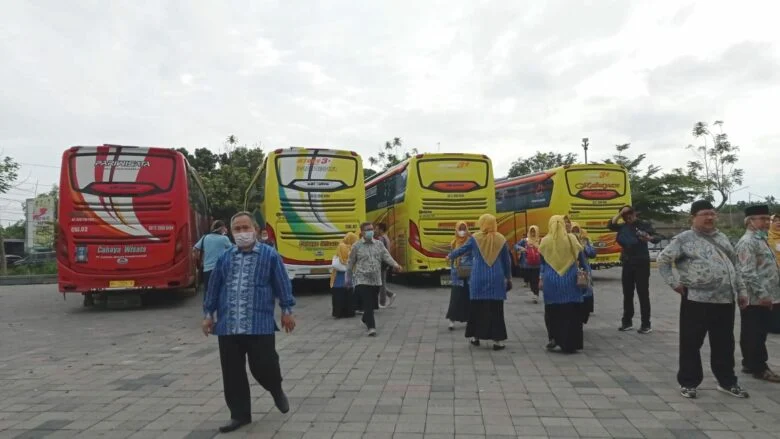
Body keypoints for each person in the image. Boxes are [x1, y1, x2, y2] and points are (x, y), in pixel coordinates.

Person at [202, 212, 297, 433]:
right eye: (237, 229)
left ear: (255, 229)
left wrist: (287, 311)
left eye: (246, 228)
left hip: (259, 323)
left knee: (265, 365)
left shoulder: (270, 256)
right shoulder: (225, 258)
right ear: (231, 232)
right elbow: (214, 287)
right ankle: (239, 415)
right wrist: (208, 316)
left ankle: (275, 388)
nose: (242, 233)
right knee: (232, 373)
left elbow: (282, 284)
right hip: (228, 325)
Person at [657, 200, 749, 400]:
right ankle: (688, 383)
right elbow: (663, 260)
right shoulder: (684, 239)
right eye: (704, 214)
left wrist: (741, 291)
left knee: (725, 343)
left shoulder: (723, 238)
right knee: (691, 343)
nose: (709, 217)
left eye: (712, 213)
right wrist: (673, 283)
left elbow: (735, 266)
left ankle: (727, 381)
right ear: (693, 217)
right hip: (696, 300)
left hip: (725, 300)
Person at [448, 214, 512, 351]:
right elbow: (507, 261)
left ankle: (475, 337)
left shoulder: (475, 238)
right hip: (496, 278)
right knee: (496, 309)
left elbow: (461, 250)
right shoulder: (501, 239)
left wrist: (450, 256)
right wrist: (509, 277)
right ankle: (497, 341)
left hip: (478, 277)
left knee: (477, 308)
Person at [735, 205, 780, 382]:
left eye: (768, 219)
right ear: (750, 222)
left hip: (766, 294)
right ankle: (759, 367)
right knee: (755, 332)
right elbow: (747, 272)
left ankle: (750, 363)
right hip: (755, 297)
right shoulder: (748, 242)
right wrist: (762, 294)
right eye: (762, 219)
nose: (767, 223)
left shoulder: (761, 239)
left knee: (754, 331)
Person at [608, 205, 661, 334]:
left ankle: (646, 324)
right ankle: (627, 322)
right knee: (627, 293)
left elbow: (657, 237)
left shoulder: (643, 225)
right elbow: (610, 224)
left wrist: (649, 238)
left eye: (630, 213)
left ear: (635, 213)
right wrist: (620, 213)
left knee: (643, 294)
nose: (628, 216)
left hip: (641, 262)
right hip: (627, 262)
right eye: (625, 215)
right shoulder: (622, 226)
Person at [539, 215, 587, 353]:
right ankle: (571, 343)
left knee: (553, 312)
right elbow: (581, 258)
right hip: (570, 281)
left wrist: (541, 277)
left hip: (551, 282)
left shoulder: (545, 241)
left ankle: (554, 339)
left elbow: (541, 262)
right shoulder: (572, 239)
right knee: (571, 313)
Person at [348, 222, 402, 336]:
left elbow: (386, 256)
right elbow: (350, 263)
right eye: (367, 230)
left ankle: (365, 318)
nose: (370, 231)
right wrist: (348, 278)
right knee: (368, 303)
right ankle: (371, 327)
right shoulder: (356, 246)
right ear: (362, 232)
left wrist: (396, 265)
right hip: (362, 279)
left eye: (371, 229)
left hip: (376, 280)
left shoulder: (379, 244)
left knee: (372, 304)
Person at [193, 220, 232, 294]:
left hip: (207, 270)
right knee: (220, 292)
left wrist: (201, 260)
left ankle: (207, 305)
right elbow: (233, 250)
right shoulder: (224, 239)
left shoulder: (205, 237)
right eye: (224, 228)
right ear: (221, 228)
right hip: (220, 270)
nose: (225, 229)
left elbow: (194, 250)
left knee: (208, 292)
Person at [446, 221, 472, 330]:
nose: (462, 231)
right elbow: (451, 259)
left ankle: (469, 319)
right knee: (455, 296)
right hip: (457, 272)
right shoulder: (453, 243)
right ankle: (452, 320)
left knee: (468, 296)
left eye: (464, 228)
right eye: (460, 229)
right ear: (456, 230)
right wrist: (452, 269)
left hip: (469, 272)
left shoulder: (470, 241)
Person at [571, 222, 597, 323]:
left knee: (587, 290)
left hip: (584, 270)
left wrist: (584, 246)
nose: (575, 233)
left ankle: (586, 311)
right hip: (572, 271)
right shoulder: (568, 241)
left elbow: (592, 253)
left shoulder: (585, 240)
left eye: (577, 231)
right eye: (573, 231)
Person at [331, 232, 359, 319]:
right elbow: (346, 258)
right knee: (348, 294)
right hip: (345, 275)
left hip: (338, 277)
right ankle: (348, 312)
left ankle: (339, 313)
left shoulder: (341, 245)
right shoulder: (345, 247)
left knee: (339, 295)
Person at [515, 225, 542, 303]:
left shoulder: (540, 240)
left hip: (537, 264)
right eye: (532, 231)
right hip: (527, 264)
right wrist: (521, 248)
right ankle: (534, 292)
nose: (533, 233)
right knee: (530, 279)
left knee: (535, 280)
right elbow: (516, 246)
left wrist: (538, 247)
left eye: (534, 231)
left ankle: (535, 295)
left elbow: (544, 249)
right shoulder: (525, 240)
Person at [375, 222, 397, 308]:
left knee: (381, 283)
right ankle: (390, 295)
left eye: (376, 229)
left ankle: (382, 302)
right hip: (385, 263)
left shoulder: (381, 239)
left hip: (381, 263)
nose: (375, 230)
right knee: (380, 282)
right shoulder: (386, 237)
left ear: (381, 229)